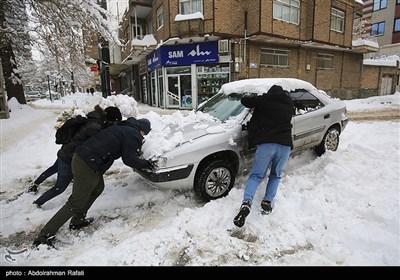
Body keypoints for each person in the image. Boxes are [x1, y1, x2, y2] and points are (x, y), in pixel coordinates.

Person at [32, 117, 154, 248]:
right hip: (86, 163)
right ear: (142, 130)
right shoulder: (133, 135)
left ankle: (77, 220)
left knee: (97, 188)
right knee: (76, 202)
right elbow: (129, 159)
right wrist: (147, 164)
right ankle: (44, 236)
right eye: (144, 133)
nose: (143, 136)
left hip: (86, 159)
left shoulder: (122, 127)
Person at [28, 106, 122, 207]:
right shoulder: (95, 127)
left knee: (54, 168)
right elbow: (102, 142)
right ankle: (37, 203)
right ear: (110, 120)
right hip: (69, 158)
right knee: (59, 187)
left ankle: (36, 184)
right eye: (115, 122)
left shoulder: (95, 120)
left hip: (66, 150)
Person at [233, 85, 295, 228]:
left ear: (270, 93)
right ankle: (267, 202)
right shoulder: (289, 103)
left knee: (256, 176)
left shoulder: (265, 99)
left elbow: (245, 101)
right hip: (285, 145)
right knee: (276, 175)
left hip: (267, 144)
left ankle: (247, 203)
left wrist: (259, 99)